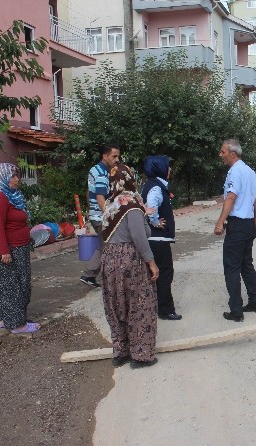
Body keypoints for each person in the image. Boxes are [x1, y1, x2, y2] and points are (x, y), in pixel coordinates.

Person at [101, 164, 160, 369]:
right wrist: (151, 262)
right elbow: (140, 237)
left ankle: (121, 352)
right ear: (130, 179)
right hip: (129, 259)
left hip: (109, 259)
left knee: (117, 305)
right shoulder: (132, 204)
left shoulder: (110, 204)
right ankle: (141, 355)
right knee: (139, 303)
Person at [0, 163, 40, 334]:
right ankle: (17, 325)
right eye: (13, 176)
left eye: (17, 176)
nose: (17, 180)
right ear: (2, 178)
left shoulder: (11, 195)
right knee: (13, 286)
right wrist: (4, 251)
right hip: (6, 250)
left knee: (8, 285)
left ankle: (5, 319)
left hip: (17, 248)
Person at [214, 139, 256, 322]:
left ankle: (236, 311)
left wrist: (220, 222)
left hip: (237, 225)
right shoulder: (250, 171)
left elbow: (231, 198)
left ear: (232, 154)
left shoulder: (235, 172)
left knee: (232, 268)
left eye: (222, 152)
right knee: (246, 264)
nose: (220, 155)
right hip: (249, 224)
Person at [141, 155, 181, 321]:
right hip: (158, 240)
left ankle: (153, 306)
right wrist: (155, 221)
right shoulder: (156, 188)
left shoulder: (150, 184)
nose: (170, 170)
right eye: (167, 166)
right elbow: (151, 204)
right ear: (160, 168)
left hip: (152, 239)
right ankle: (165, 309)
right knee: (165, 273)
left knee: (154, 274)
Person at [80, 144, 121, 288]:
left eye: (118, 156)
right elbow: (100, 197)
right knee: (110, 246)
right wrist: (108, 215)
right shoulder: (102, 173)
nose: (117, 159)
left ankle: (89, 275)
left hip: (96, 215)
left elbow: (90, 194)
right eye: (114, 156)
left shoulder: (97, 170)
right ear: (105, 156)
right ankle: (108, 278)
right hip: (101, 217)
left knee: (104, 245)